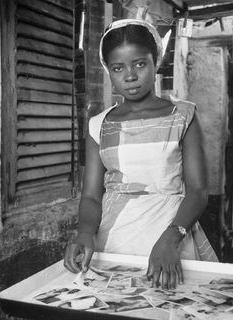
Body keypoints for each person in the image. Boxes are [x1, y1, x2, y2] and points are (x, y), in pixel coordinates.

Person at [64, 18, 218, 290]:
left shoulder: (182, 116)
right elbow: (90, 195)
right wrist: (85, 232)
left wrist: (171, 239)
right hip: (114, 239)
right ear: (109, 71)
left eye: (139, 64)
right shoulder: (99, 125)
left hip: (171, 236)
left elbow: (198, 191)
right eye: (118, 68)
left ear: (155, 61)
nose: (130, 76)